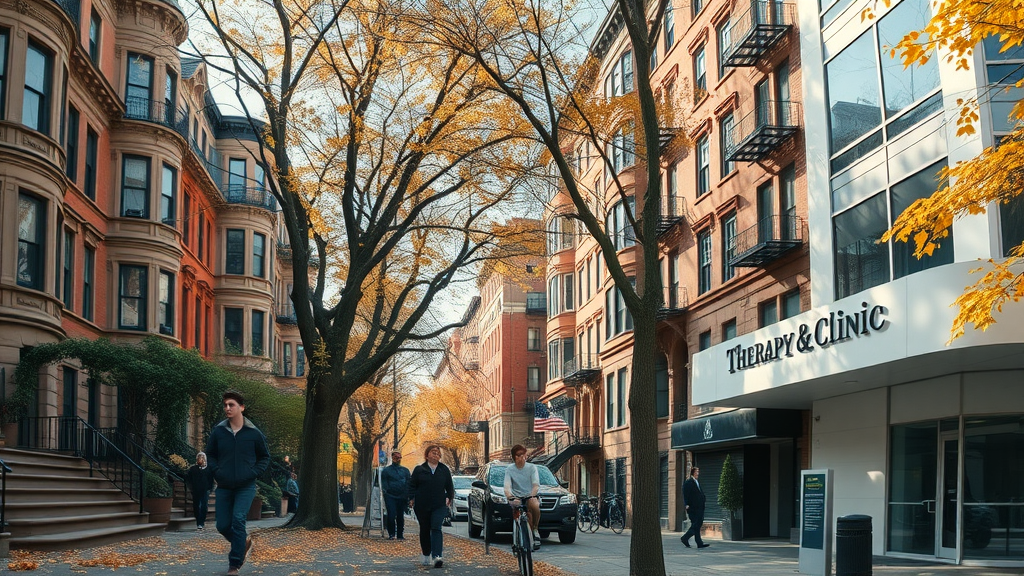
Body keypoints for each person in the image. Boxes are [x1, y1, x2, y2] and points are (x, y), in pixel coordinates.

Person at [205, 390, 271, 576]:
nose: (227, 408)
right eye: (225, 405)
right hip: (224, 485)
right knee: (222, 526)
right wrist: (216, 471)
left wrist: (252, 473)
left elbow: (265, 457)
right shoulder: (219, 432)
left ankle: (234, 566)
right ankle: (243, 541)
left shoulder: (254, 434)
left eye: (231, 405)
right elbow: (210, 454)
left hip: (245, 486)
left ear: (241, 407)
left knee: (238, 521)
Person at [408, 445, 454, 568]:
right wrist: (411, 498)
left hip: (439, 504)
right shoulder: (419, 470)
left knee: (436, 528)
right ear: (427, 455)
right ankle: (426, 553)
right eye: (433, 452)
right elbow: (412, 485)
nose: (436, 454)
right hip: (422, 505)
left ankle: (437, 556)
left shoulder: (444, 470)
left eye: (438, 453)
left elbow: (449, 485)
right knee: (424, 529)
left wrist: (449, 497)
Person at [503, 444, 541, 550]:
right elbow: (507, 486)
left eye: (523, 455)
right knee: (517, 513)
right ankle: (516, 539)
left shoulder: (532, 468)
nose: (521, 457)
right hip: (516, 497)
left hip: (529, 496)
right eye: (518, 455)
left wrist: (532, 495)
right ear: (514, 457)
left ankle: (535, 529)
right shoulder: (510, 469)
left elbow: (535, 485)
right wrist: (510, 496)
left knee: (534, 505)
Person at [380, 450, 411, 540]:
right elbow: (384, 484)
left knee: (400, 516)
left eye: (399, 457)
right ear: (392, 458)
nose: (398, 459)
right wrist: (387, 492)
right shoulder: (387, 471)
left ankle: (400, 534)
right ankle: (391, 534)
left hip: (402, 496)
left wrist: (406, 494)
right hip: (390, 496)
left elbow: (408, 483)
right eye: (396, 457)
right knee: (391, 515)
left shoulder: (405, 471)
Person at [681, 466, 709, 549]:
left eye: (698, 471)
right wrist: (686, 504)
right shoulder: (688, 482)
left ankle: (699, 543)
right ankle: (685, 538)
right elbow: (685, 494)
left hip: (699, 507)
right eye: (696, 471)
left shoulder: (697, 481)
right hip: (693, 507)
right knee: (696, 524)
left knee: (697, 524)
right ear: (693, 472)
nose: (698, 473)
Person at [185, 452, 214, 530]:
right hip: (196, 490)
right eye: (199, 457)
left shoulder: (209, 469)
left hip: (205, 490)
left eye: (202, 457)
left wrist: (210, 489)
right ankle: (198, 522)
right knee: (196, 506)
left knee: (204, 506)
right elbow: (188, 478)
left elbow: (211, 480)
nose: (201, 459)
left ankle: (202, 522)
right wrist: (191, 488)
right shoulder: (193, 469)